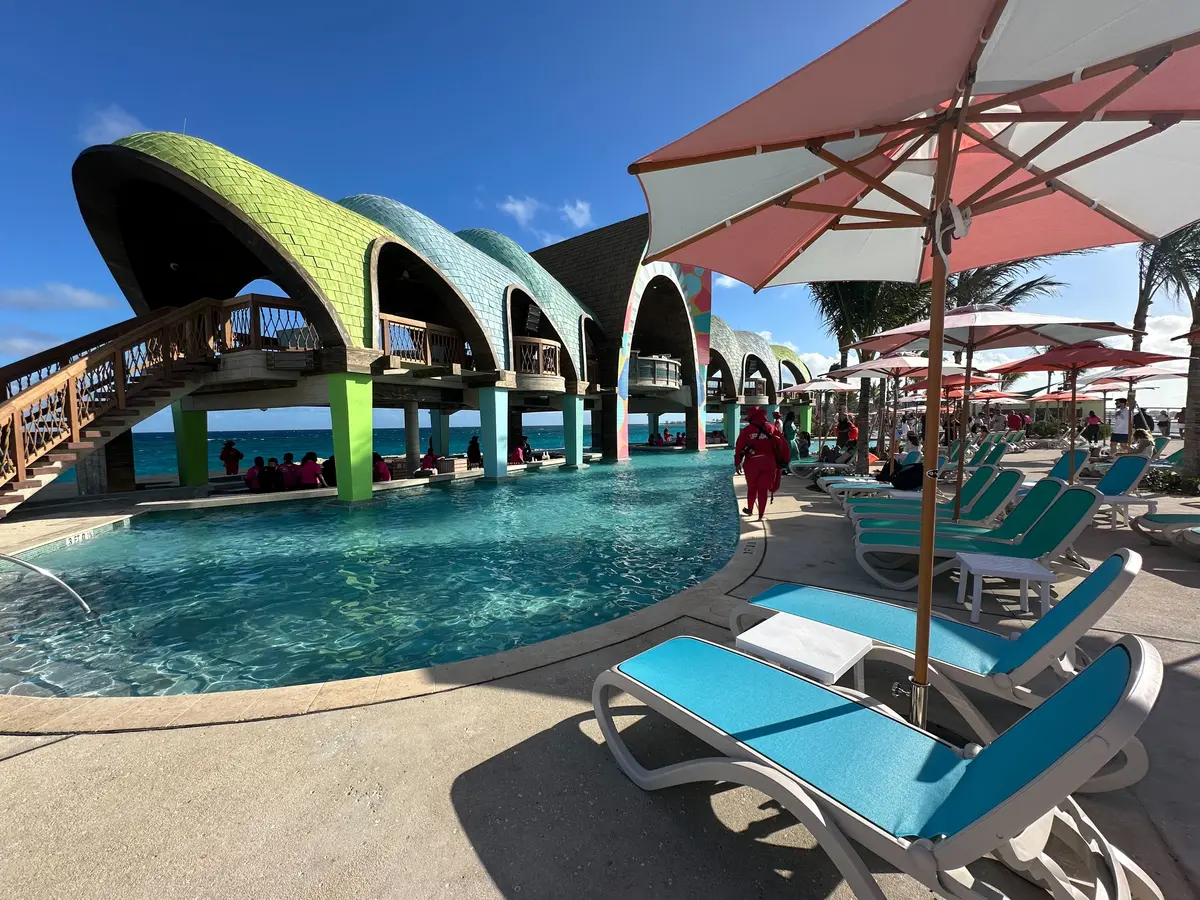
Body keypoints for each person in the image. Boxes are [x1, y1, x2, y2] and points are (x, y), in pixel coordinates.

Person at [734, 406, 787, 521]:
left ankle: (750, 509)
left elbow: (739, 447)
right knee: (763, 489)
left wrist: (737, 462)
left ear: (751, 418)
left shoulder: (747, 431)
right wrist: (784, 460)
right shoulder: (771, 428)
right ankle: (761, 514)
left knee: (752, 487)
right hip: (769, 463)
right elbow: (784, 445)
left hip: (752, 463)